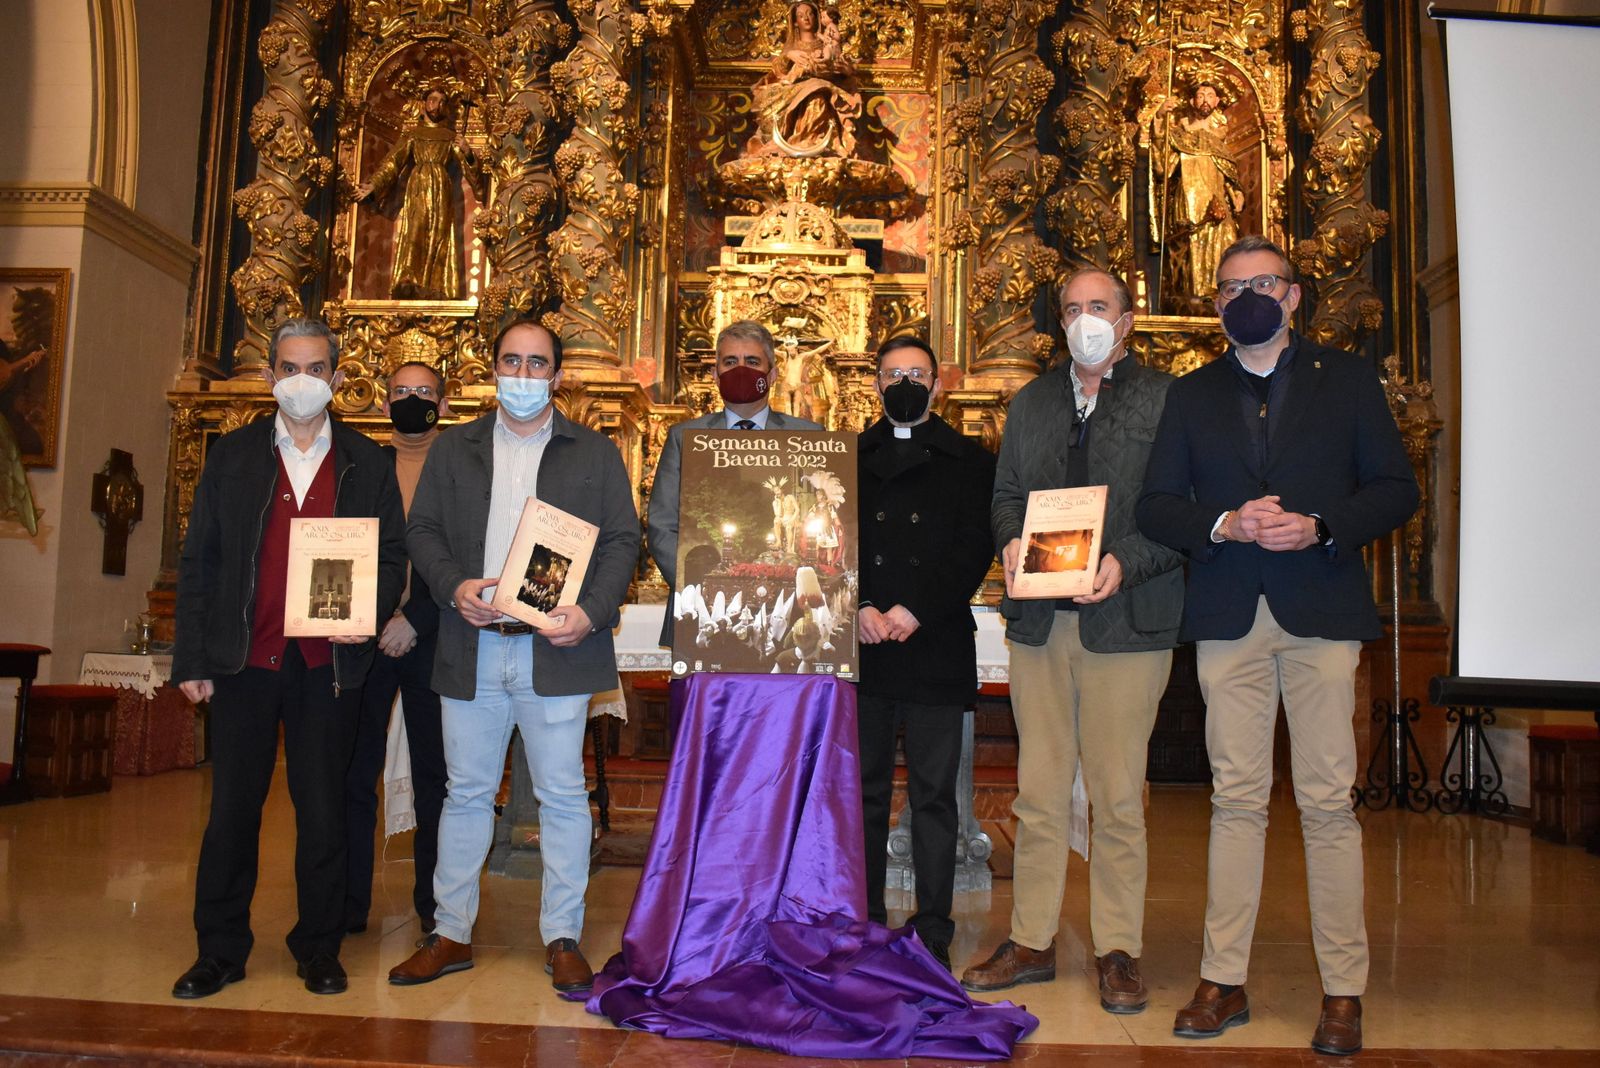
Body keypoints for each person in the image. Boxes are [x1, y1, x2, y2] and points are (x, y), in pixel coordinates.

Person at [1135, 235, 1419, 1056]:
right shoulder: (1190, 396)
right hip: (1231, 614)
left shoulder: (1350, 380)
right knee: (1236, 801)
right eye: (1229, 289)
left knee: (1329, 804)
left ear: (1293, 296)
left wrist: (1321, 525)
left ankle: (1343, 991)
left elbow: (1396, 488)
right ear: (1216, 305)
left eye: (1261, 284)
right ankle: (1222, 980)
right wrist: (1224, 523)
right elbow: (1158, 505)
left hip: (1322, 612)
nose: (1245, 298)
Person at [388, 319, 639, 992]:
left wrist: (591, 611)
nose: (523, 376)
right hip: (472, 645)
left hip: (555, 650)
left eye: (537, 364)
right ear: (492, 368)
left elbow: (622, 541)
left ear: (558, 376)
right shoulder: (453, 449)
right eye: (511, 362)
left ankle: (562, 937)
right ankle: (451, 932)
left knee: (561, 797)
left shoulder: (593, 452)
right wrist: (451, 586)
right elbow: (423, 529)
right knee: (465, 795)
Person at [963, 269, 1184, 1017]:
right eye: (1072, 309)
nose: (1085, 319)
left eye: (1099, 307)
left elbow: (1184, 509)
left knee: (1119, 796)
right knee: (1040, 793)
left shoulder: (1166, 399)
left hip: (1127, 623)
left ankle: (1119, 948)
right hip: (1040, 623)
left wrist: (1128, 560)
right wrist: (1010, 545)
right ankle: (1030, 940)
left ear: (1128, 318)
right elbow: (1005, 499)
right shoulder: (1031, 402)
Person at [171, 318, 407, 999]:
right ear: (272, 375)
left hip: (326, 670)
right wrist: (192, 657)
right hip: (245, 662)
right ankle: (218, 950)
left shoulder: (368, 461)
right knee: (231, 815)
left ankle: (319, 947)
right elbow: (201, 561)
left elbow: (390, 556)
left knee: (325, 812)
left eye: (316, 368)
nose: (302, 381)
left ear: (336, 378)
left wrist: (364, 611)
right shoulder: (234, 457)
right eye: (289, 367)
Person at [854, 335, 995, 971]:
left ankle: (934, 922)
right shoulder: (849, 456)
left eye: (917, 373)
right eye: (892, 374)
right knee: (865, 792)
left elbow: (972, 549)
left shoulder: (971, 459)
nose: (904, 383)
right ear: (876, 384)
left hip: (934, 641)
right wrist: (857, 606)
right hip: (867, 643)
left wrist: (915, 609)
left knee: (936, 795)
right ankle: (863, 917)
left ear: (938, 385)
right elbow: (827, 540)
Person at [342, 360, 451, 938]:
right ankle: (348, 902)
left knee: (437, 776)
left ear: (445, 402)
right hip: (365, 636)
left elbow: (472, 552)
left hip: (435, 637)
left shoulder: (462, 463)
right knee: (354, 773)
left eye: (425, 392)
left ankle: (436, 906)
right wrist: (375, 616)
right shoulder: (360, 461)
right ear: (383, 404)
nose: (413, 400)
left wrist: (416, 617)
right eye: (402, 392)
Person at [646, 320, 821, 649]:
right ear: (714, 374)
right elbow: (661, 525)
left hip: (789, 609)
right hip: (699, 610)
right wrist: (697, 587)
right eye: (730, 362)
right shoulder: (684, 438)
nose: (741, 370)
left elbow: (819, 518)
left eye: (752, 362)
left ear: (772, 375)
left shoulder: (810, 438)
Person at [358, 88, 483, 300]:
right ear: (424, 103)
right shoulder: (413, 135)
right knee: (415, 231)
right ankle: (409, 282)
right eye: (433, 99)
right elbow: (392, 163)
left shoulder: (450, 137)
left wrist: (467, 151)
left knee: (440, 234)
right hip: (417, 187)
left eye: (443, 101)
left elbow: (472, 173)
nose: (438, 104)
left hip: (442, 189)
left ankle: (438, 286)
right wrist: (374, 186)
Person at [1152, 82, 1246, 312]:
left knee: (1222, 248)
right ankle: (1189, 299)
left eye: (1210, 95)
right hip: (1188, 205)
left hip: (1218, 210)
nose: (1205, 98)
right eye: (1200, 94)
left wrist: (1237, 193)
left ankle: (1221, 297)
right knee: (1190, 253)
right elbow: (1161, 167)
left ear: (1216, 102)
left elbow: (1228, 174)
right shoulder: (1179, 136)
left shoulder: (1218, 140)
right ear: (1193, 101)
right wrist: (1160, 117)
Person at [746, 0, 862, 158]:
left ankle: (811, 140)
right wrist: (789, 55)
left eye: (810, 14)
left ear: (817, 17)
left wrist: (844, 69)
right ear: (795, 22)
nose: (806, 18)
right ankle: (796, 140)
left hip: (822, 90)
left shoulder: (827, 42)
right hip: (793, 90)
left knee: (817, 95)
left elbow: (845, 69)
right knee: (813, 88)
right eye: (801, 16)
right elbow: (777, 74)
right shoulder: (791, 49)